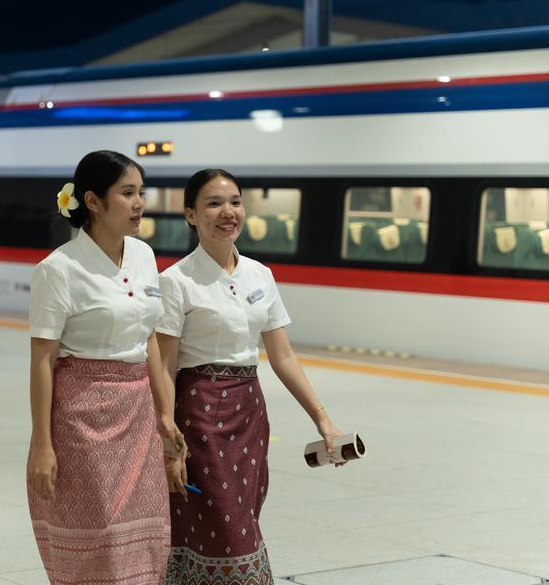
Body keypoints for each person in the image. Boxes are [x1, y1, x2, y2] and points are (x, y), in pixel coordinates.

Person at [157, 169, 347, 583]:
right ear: (190, 214)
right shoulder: (175, 282)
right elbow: (165, 367)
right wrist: (169, 443)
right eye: (213, 203)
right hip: (199, 416)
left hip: (250, 412)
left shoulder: (260, 274)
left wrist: (323, 420)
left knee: (244, 515)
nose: (228, 212)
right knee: (218, 522)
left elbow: (283, 356)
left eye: (235, 201)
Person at [26, 150, 184, 584]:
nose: (139, 204)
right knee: (97, 535)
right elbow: (43, 358)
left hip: (138, 417)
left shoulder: (144, 256)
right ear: (93, 201)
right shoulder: (58, 269)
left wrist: (165, 416)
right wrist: (42, 445)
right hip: (81, 417)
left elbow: (149, 338)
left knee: (146, 538)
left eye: (141, 193)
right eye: (127, 193)